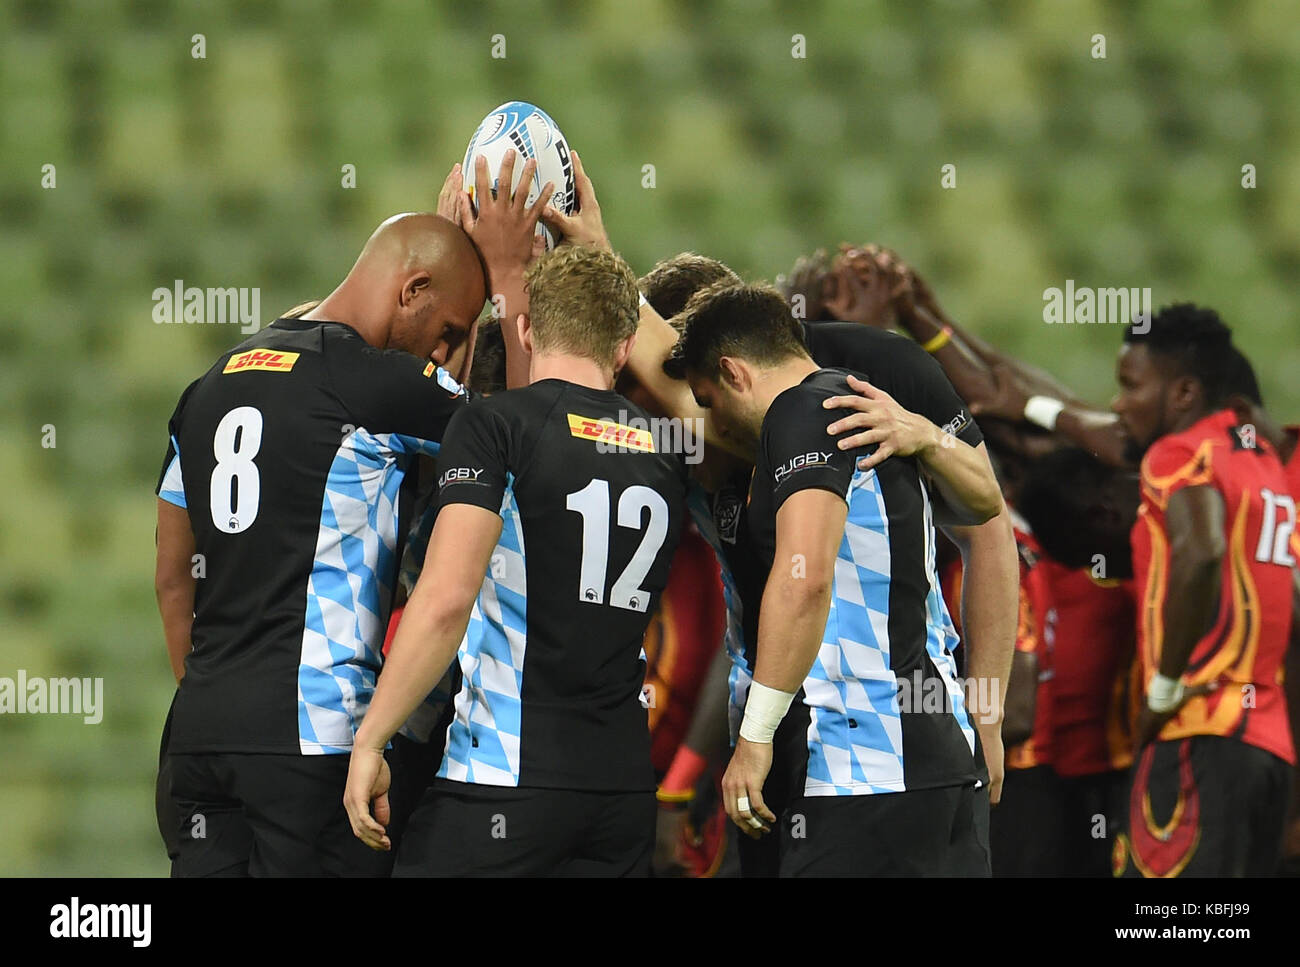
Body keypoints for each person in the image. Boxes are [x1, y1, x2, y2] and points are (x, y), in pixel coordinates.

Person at [154, 166, 547, 874]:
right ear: (412, 291)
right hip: (315, 745)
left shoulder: (208, 384)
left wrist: (221, 709)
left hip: (196, 738)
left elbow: (171, 578)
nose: (442, 357)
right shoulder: (377, 388)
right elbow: (520, 443)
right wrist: (510, 276)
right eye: (450, 331)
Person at [343, 246, 688, 876]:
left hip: (503, 775)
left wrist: (370, 739)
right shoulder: (666, 448)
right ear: (623, 347)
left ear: (526, 329)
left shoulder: (496, 425)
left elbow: (446, 599)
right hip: (622, 788)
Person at [661, 280, 1003, 875]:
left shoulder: (799, 411)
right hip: (942, 762)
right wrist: (930, 437)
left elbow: (806, 578)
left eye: (707, 401)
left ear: (733, 372)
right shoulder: (872, 408)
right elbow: (987, 503)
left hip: (861, 770)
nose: (712, 425)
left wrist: (755, 737)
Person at [1109, 305, 1296, 876]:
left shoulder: (1179, 452)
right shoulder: (1263, 463)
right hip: (1267, 746)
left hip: (1199, 727)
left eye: (1130, 386)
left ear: (1183, 391)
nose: (1119, 404)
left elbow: (1202, 551)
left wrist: (1162, 690)